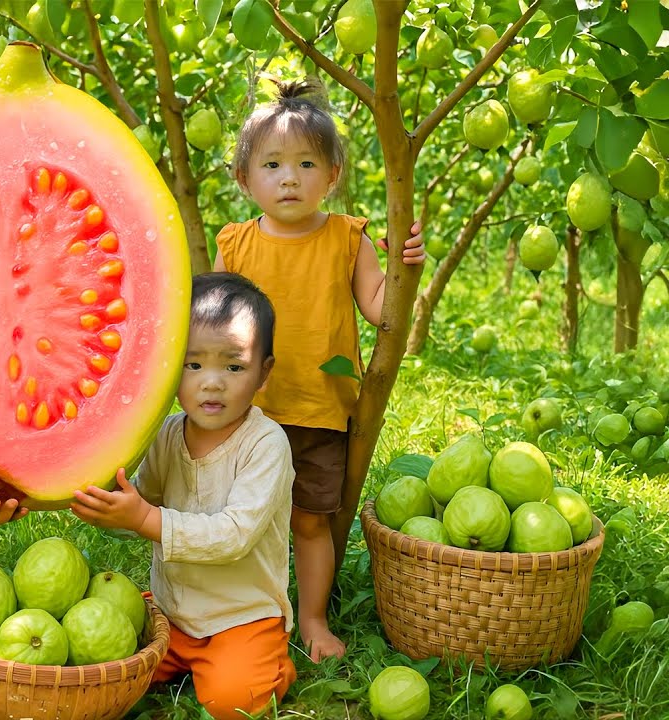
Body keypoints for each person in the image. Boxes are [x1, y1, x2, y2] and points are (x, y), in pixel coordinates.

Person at [211, 79, 426, 661]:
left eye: (307, 163)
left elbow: (383, 309)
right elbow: (210, 331)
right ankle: (241, 612)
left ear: (332, 174)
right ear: (245, 179)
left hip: (318, 410)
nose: (289, 178)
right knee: (242, 522)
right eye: (273, 164)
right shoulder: (234, 247)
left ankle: (310, 619)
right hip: (246, 417)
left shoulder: (346, 238)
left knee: (309, 522)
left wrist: (407, 278)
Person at [71, 272, 298, 719]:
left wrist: (143, 519)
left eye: (233, 366)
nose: (211, 383)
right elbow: (143, 497)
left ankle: (272, 663)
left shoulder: (266, 444)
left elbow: (235, 534)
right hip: (171, 613)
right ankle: (176, 653)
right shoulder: (169, 433)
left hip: (242, 617)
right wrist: (107, 504)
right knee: (108, 667)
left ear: (263, 373)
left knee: (232, 702)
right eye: (192, 365)